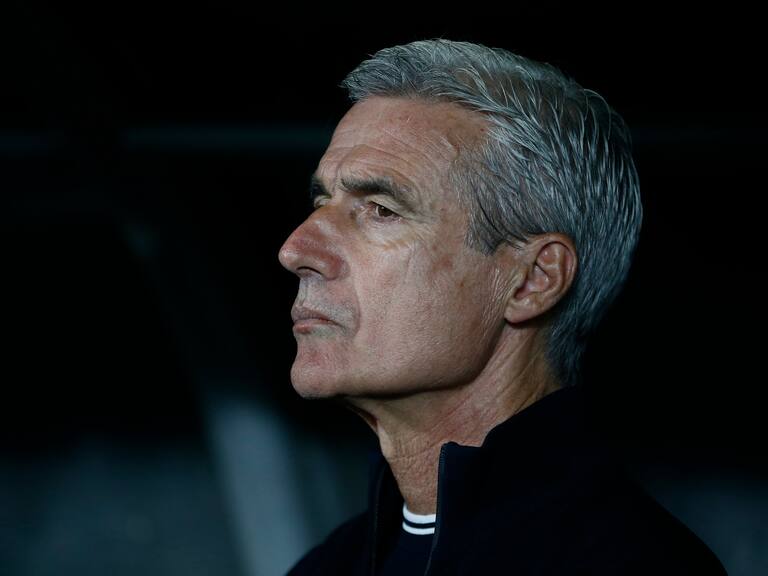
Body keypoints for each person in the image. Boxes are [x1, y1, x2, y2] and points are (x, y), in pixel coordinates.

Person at [277, 39, 727, 575]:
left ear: (531, 281)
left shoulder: (634, 566)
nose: (295, 250)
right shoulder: (327, 567)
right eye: (321, 201)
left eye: (380, 209)